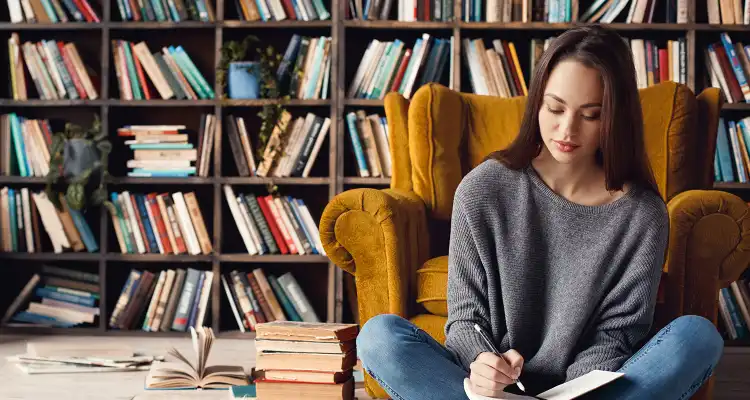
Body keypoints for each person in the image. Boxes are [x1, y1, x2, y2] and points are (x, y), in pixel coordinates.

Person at [355, 25, 724, 400]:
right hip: (491, 393)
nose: (567, 129)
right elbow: (466, 318)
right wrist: (483, 362)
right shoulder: (483, 188)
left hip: (587, 392)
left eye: (591, 115)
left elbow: (615, 335)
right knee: (379, 337)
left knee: (696, 336)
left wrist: (574, 393)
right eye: (555, 108)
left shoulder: (642, 215)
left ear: (616, 118)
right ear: (537, 103)